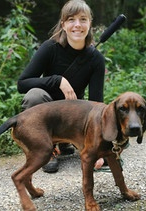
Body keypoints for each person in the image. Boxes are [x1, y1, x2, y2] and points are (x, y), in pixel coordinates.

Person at [17, 0, 105, 173]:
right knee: (34, 95)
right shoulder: (50, 48)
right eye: (71, 20)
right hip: (45, 114)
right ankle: (45, 150)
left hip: (73, 118)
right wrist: (57, 80)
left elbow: (96, 105)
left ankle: (67, 142)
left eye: (83, 19)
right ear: (63, 25)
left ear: (89, 24)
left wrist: (98, 148)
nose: (77, 25)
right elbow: (23, 83)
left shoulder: (96, 59)